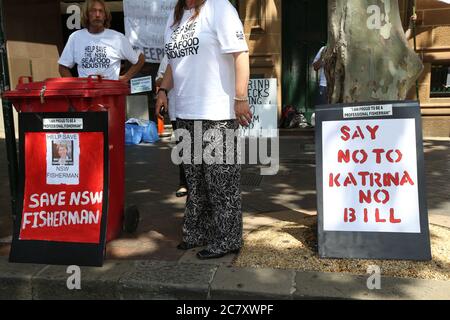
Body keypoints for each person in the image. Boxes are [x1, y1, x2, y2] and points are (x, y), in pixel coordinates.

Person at [156, 0, 251, 259]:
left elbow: (240, 54)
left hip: (216, 112)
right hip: (185, 111)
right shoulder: (174, 17)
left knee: (221, 183)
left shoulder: (220, 8)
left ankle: (227, 238)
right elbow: (173, 62)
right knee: (195, 182)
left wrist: (240, 98)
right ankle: (197, 232)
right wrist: (163, 90)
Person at [58, 0, 145, 81]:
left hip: (110, 93)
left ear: (105, 15)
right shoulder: (75, 37)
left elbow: (140, 58)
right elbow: (62, 67)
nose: (97, 15)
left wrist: (125, 78)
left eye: (101, 11)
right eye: (93, 11)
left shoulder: (117, 37)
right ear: (86, 14)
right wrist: (75, 86)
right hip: (86, 94)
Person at [156, 54, 188, 198]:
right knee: (183, 149)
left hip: (201, 109)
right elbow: (158, 79)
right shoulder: (170, 53)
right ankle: (184, 183)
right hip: (178, 109)